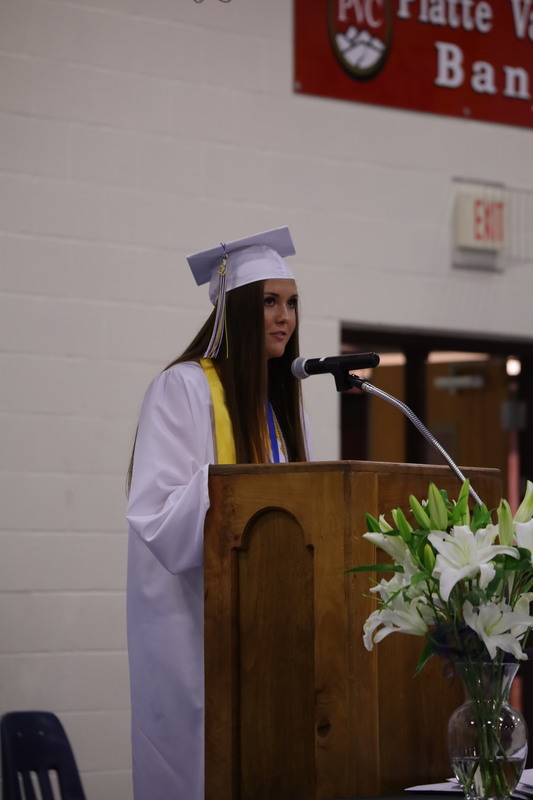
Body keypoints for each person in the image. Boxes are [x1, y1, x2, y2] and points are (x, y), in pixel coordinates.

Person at [125, 227, 310, 800]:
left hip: (264, 625)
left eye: (293, 303)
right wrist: (232, 486)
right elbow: (154, 516)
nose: (285, 317)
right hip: (192, 629)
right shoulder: (179, 389)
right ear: (235, 312)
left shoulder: (273, 407)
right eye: (270, 302)